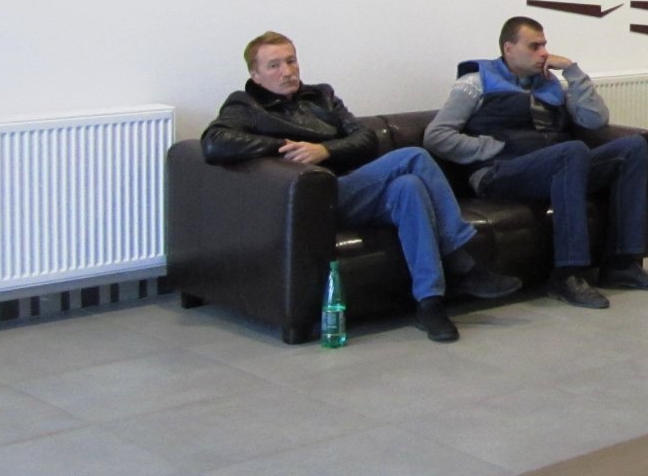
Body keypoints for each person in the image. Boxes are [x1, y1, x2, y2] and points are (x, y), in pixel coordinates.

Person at [201, 31, 521, 343]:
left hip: (352, 189)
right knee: (415, 157)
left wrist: (324, 150)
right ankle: (464, 260)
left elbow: (365, 138)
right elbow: (214, 142)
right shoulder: (245, 106)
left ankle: (430, 303)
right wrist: (282, 145)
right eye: (274, 65)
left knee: (409, 187)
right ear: (255, 75)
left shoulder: (321, 96)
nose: (287, 71)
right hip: (314, 200)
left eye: (291, 61)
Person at [424, 16, 648, 308]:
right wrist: (486, 147)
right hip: (500, 173)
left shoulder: (550, 83)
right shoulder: (475, 82)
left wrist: (572, 71)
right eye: (534, 46)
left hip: (558, 167)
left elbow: (595, 120)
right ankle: (566, 274)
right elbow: (436, 136)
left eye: (544, 45)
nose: (544, 53)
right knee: (572, 151)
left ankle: (621, 265)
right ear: (509, 49)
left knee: (633, 147)